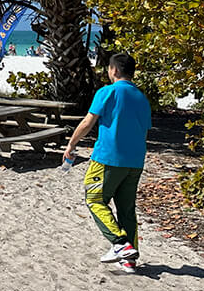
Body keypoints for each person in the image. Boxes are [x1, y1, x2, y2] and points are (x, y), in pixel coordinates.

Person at [63, 52, 152, 274]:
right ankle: (130, 261)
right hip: (135, 161)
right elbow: (144, 131)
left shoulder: (107, 92)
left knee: (94, 198)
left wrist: (71, 145)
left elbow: (87, 122)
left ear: (114, 70)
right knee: (126, 210)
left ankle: (120, 244)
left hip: (107, 158)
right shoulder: (141, 97)